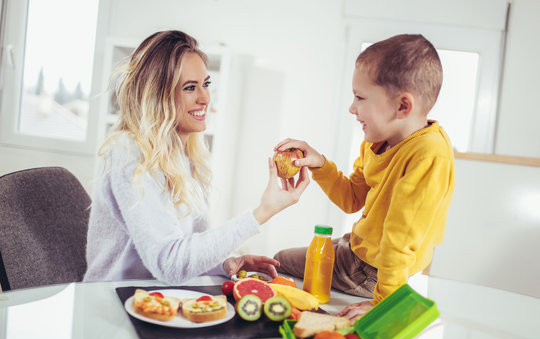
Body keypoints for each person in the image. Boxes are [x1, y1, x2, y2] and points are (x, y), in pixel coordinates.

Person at [84, 30, 309, 283]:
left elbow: (190, 250)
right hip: (111, 303)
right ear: (159, 95)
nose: (204, 98)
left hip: (157, 297)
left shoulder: (185, 152)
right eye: (190, 88)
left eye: (206, 84)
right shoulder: (129, 152)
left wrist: (228, 261)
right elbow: (170, 264)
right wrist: (262, 211)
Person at [273, 34, 455, 321]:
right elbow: (352, 199)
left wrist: (384, 303)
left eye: (360, 97)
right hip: (360, 248)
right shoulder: (377, 141)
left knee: (279, 260)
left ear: (402, 106)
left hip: (374, 269)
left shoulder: (429, 154)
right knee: (293, 258)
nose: (352, 108)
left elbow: (400, 237)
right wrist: (320, 164)